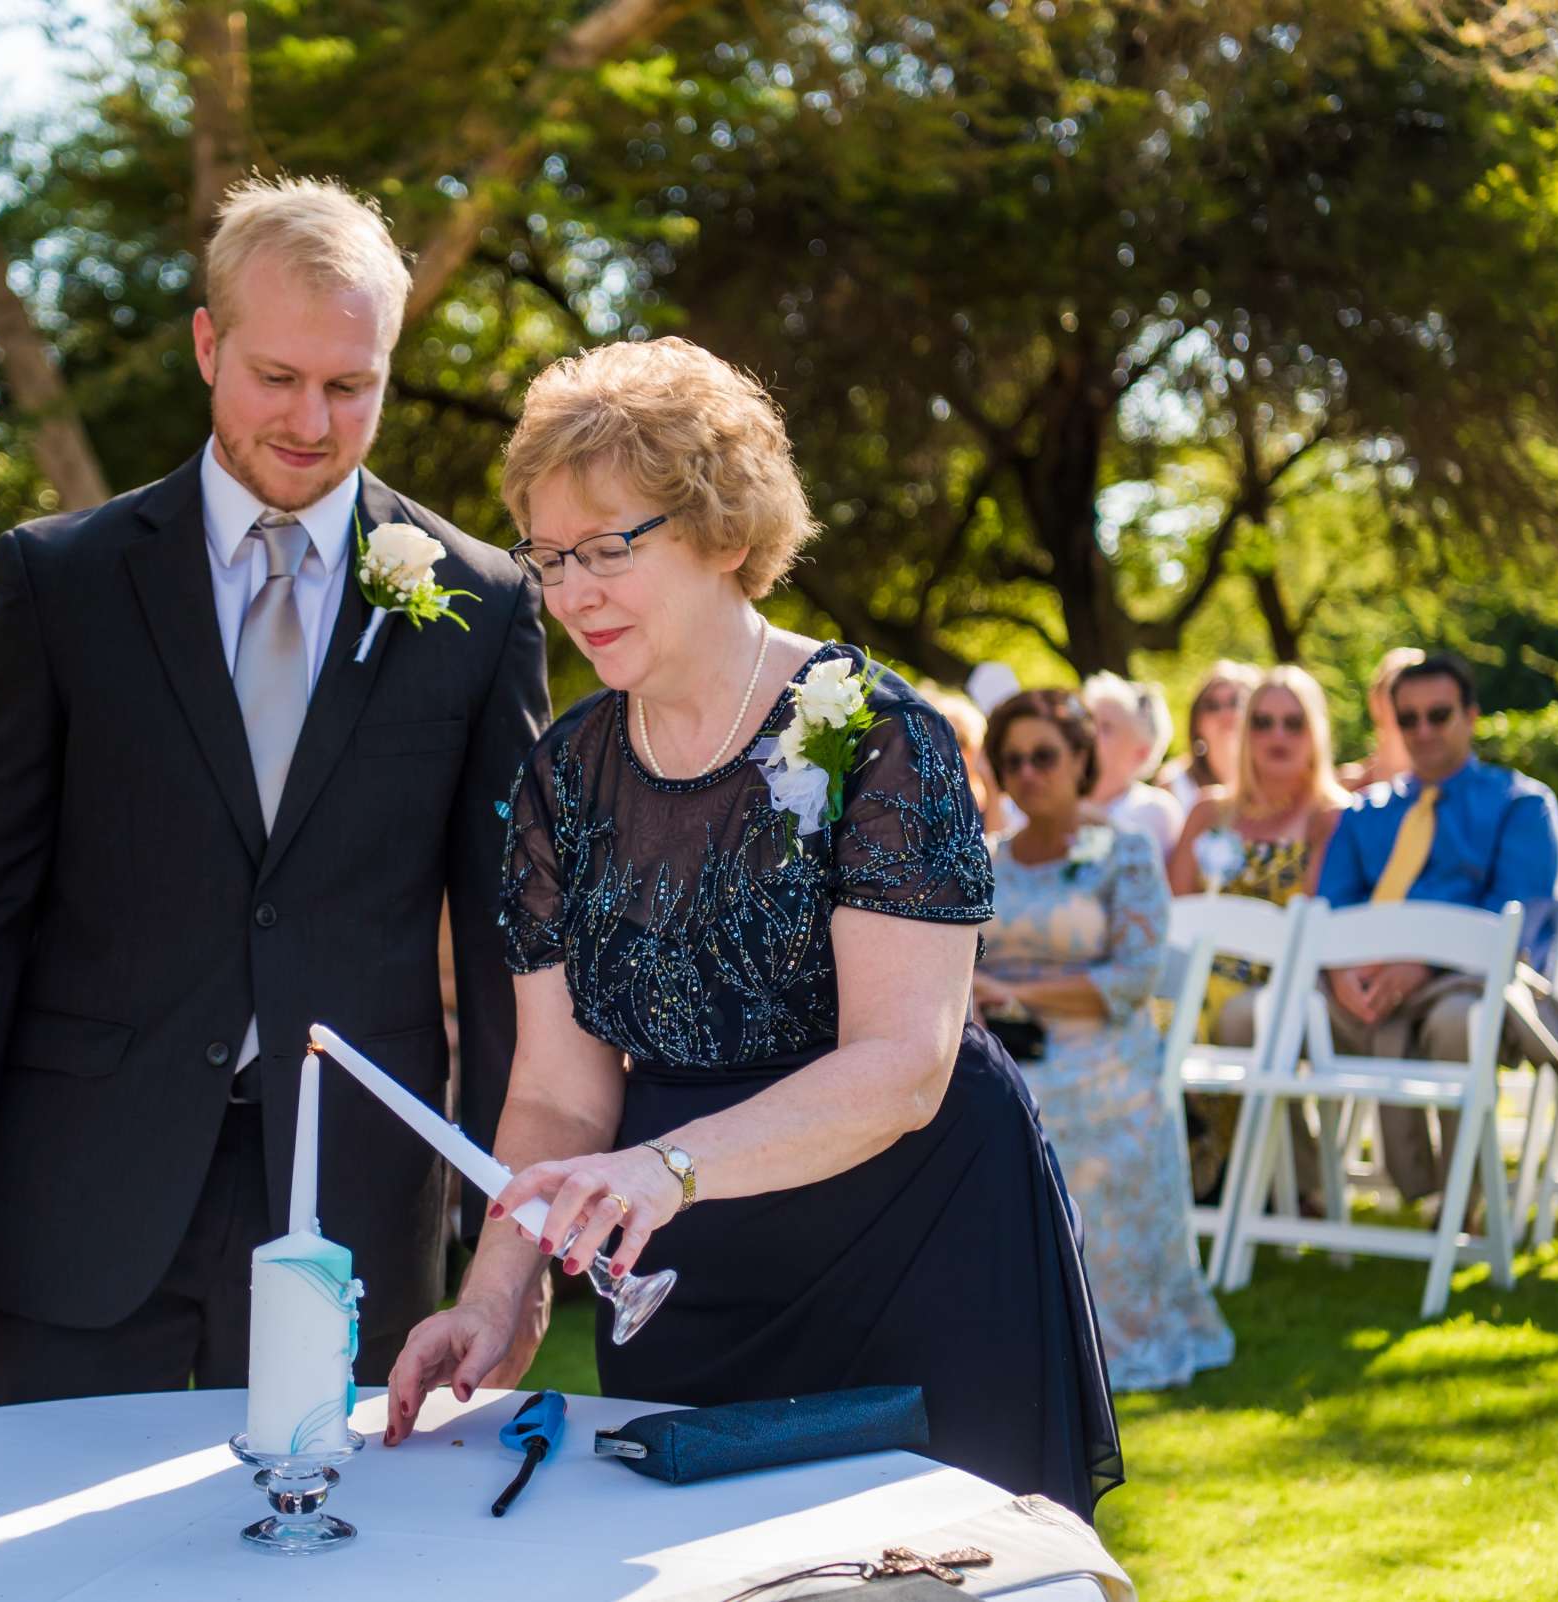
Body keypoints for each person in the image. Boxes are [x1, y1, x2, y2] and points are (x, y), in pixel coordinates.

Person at [380, 338, 1122, 1518]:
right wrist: (497, 1293)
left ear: (725, 533)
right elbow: (561, 1096)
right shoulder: (562, 779)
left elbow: (903, 1063)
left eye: (609, 548)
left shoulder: (877, 738)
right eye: (550, 556)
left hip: (918, 1235)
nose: (572, 593)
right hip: (688, 1271)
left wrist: (670, 1170)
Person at [0, 177, 550, 1404]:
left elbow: (510, 946)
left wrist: (510, 1236)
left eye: (351, 386)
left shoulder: (485, 605)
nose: (310, 419)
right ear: (205, 345)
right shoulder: (61, 584)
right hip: (79, 1185)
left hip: (354, 1193)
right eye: (276, 376)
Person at [973, 690, 1233, 1393]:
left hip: (1107, 1063)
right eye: (1013, 760)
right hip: (999, 1057)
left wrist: (1018, 993)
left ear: (1082, 759)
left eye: (1045, 757)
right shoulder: (987, 857)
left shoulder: (1122, 852)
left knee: (1059, 1109)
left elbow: (1133, 977)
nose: (1028, 774)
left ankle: (1105, 1338)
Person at [1313, 653, 1558, 1204]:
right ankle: (1296, 1193)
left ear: (1471, 716)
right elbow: (1330, 909)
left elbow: (1517, 924)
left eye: (1439, 714)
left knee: (1459, 1022)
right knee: (1251, 1016)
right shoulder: (1366, 813)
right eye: (1408, 719)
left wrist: (1423, 965)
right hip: (1362, 989)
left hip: (1466, 983)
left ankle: (1464, 1201)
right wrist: (1339, 972)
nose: (1424, 730)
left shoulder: (1521, 804)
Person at [1171, 664, 1351, 1205]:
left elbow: (1318, 925)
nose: (1276, 737)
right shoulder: (1208, 813)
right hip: (1197, 972)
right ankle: (1177, 1173)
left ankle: (1246, 1181)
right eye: (1264, 722)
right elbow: (1173, 914)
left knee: (1230, 1012)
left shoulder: (1330, 819)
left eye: (1292, 724)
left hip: (1284, 979)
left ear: (1315, 733)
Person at [1081, 672, 1184, 860]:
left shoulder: (1157, 811)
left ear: (1141, 752)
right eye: (1088, 721)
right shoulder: (1055, 800)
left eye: (1106, 727)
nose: (1090, 733)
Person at [1160, 660, 1258, 816]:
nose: (1225, 714)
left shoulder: (1276, 779)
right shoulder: (1174, 783)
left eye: (1236, 702)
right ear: (1196, 722)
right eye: (1212, 706)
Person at [1337, 646, 1425, 792]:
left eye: (1422, 694)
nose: (1410, 704)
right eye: (1396, 691)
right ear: (1375, 701)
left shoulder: (1446, 790)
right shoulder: (1346, 790)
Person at [933, 689, 1019, 836]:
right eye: (940, 739)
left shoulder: (1010, 801)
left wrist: (992, 790)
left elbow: (997, 851)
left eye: (961, 741)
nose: (951, 750)